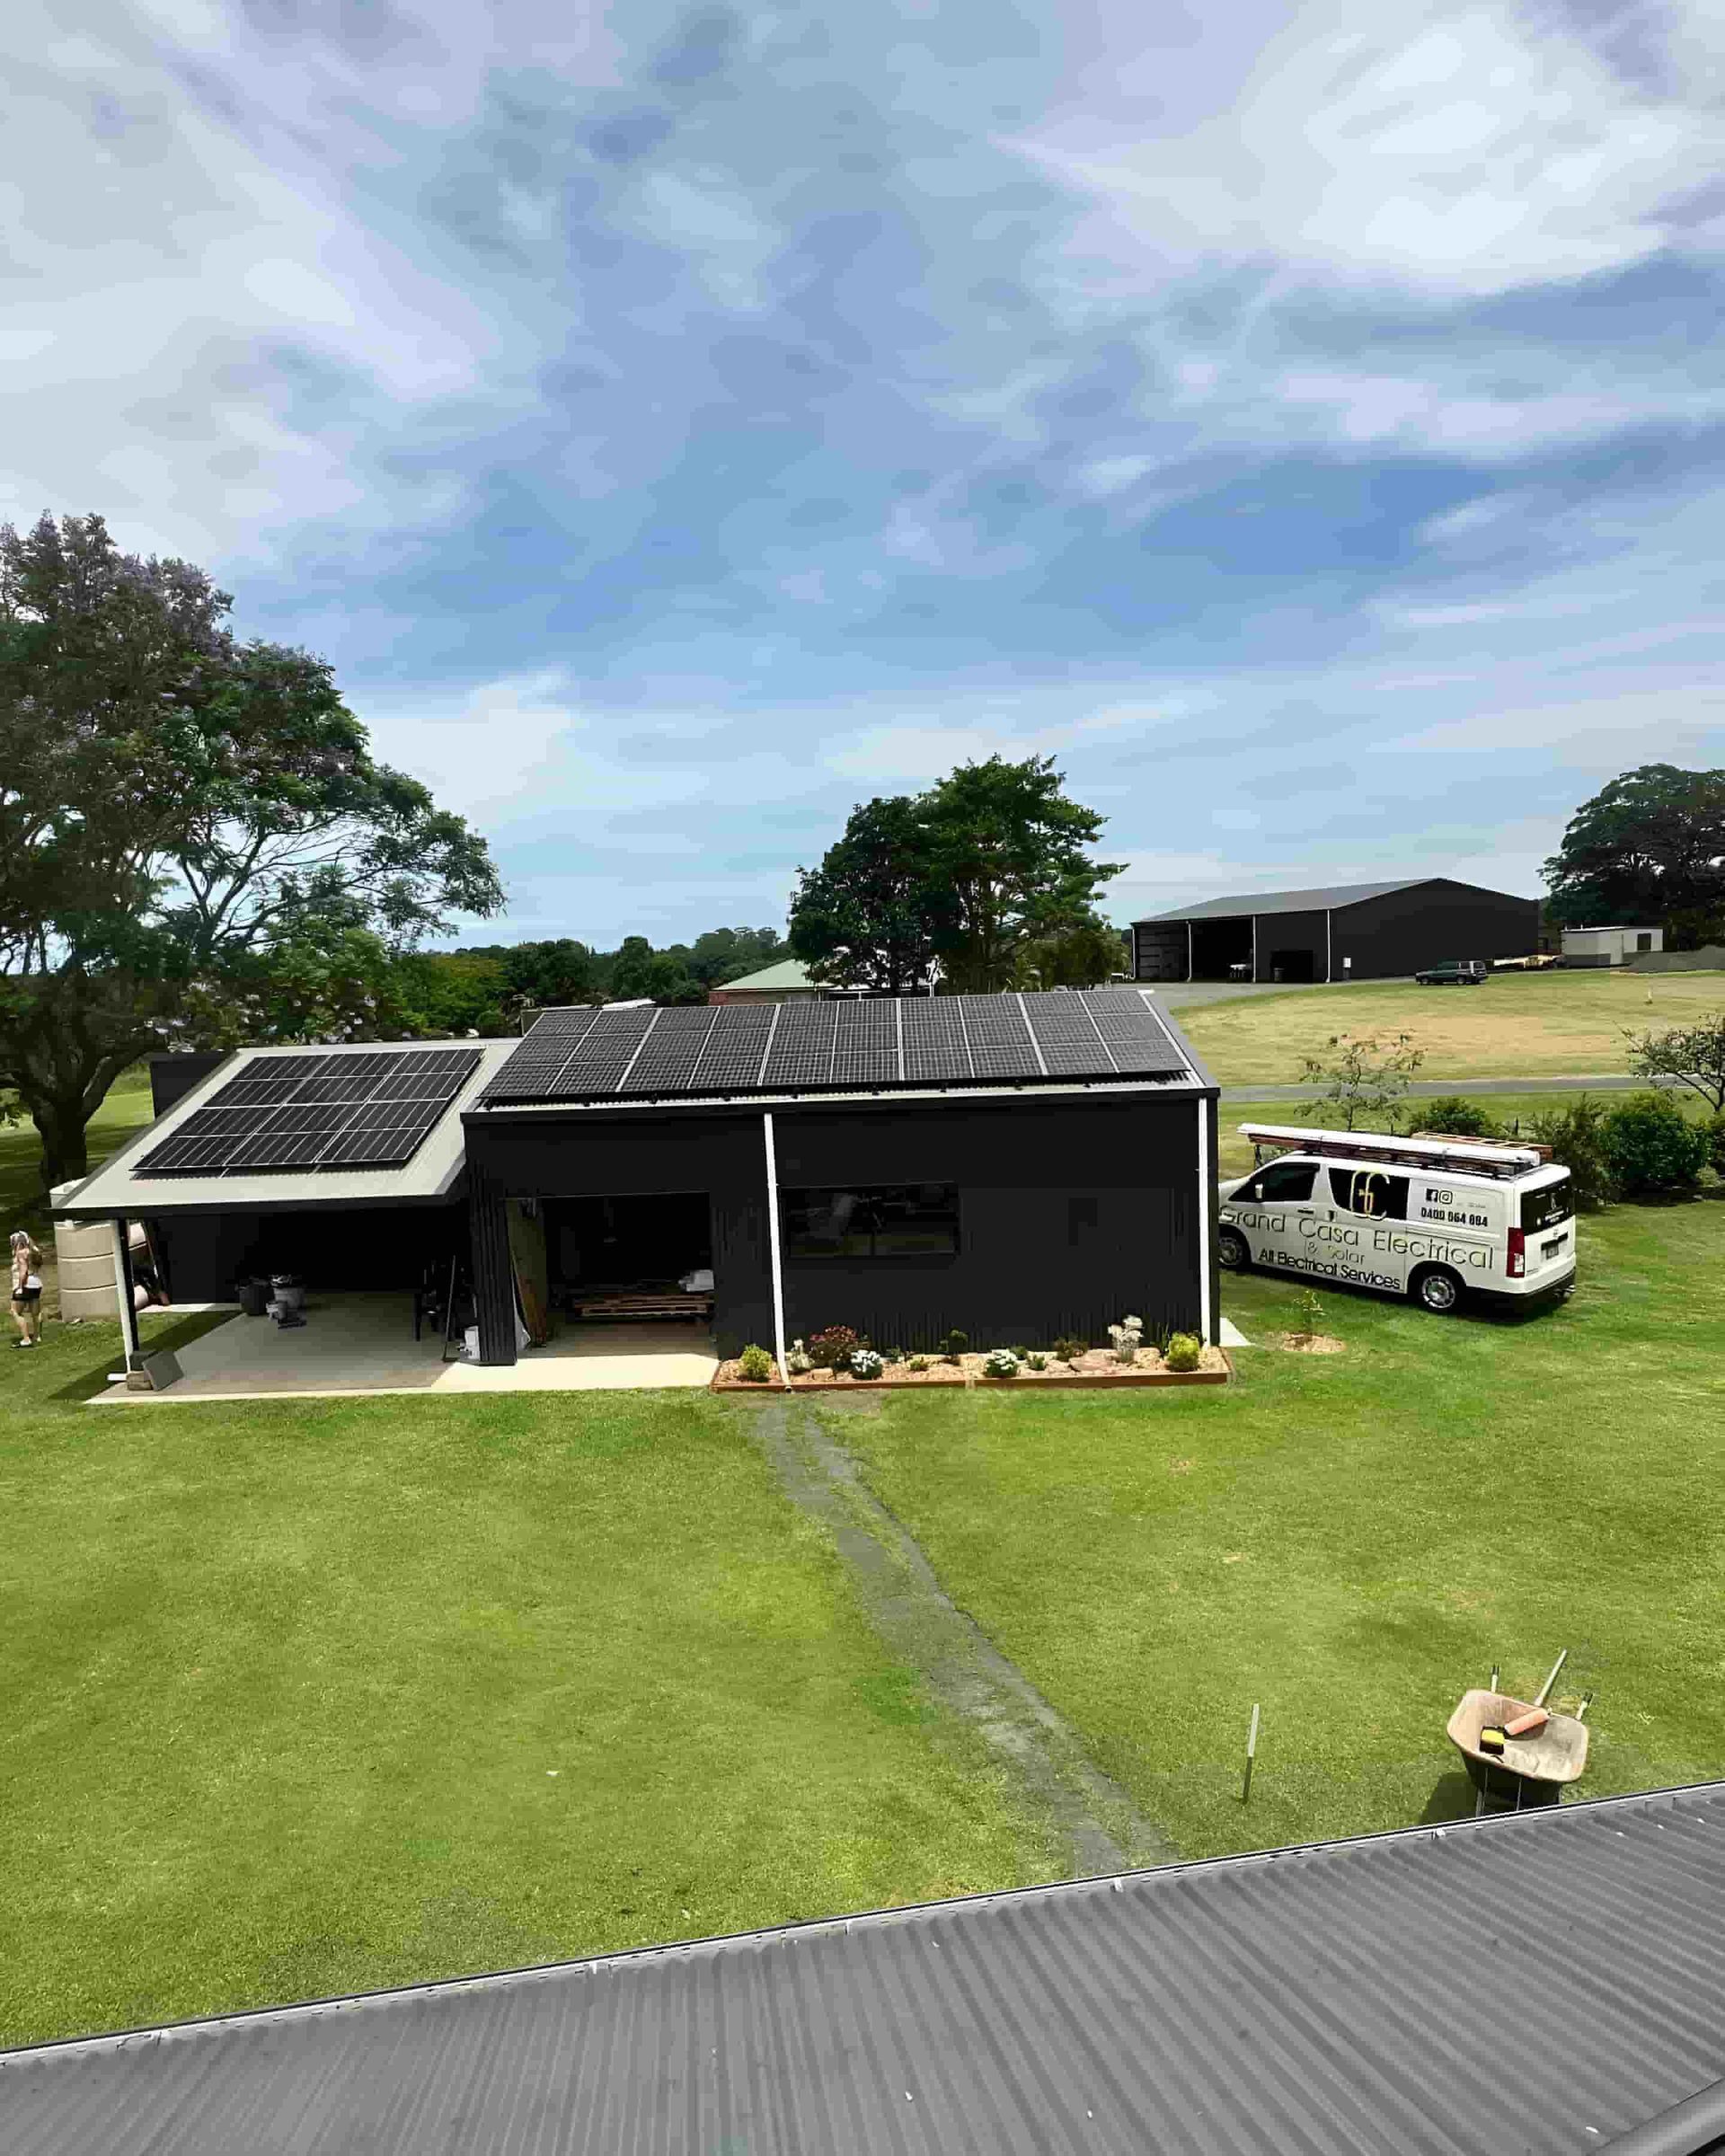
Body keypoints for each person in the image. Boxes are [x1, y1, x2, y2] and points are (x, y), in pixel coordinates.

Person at [10, 1229, 44, 1348]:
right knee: (36, 1312)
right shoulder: (35, 1251)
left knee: (15, 1311)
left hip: (25, 1284)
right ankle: (37, 1336)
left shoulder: (21, 1253)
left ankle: (26, 1338)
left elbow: (23, 1272)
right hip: (36, 1283)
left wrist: (20, 1287)